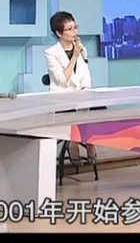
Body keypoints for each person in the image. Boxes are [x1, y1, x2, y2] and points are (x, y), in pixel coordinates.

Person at [44, 11, 103, 168]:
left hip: (81, 97)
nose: (74, 32)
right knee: (76, 115)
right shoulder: (51, 53)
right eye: (69, 29)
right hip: (62, 100)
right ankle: (74, 143)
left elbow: (86, 74)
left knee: (98, 110)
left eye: (75, 27)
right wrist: (75, 56)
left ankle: (89, 141)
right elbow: (62, 80)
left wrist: (85, 90)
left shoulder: (81, 49)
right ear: (59, 33)